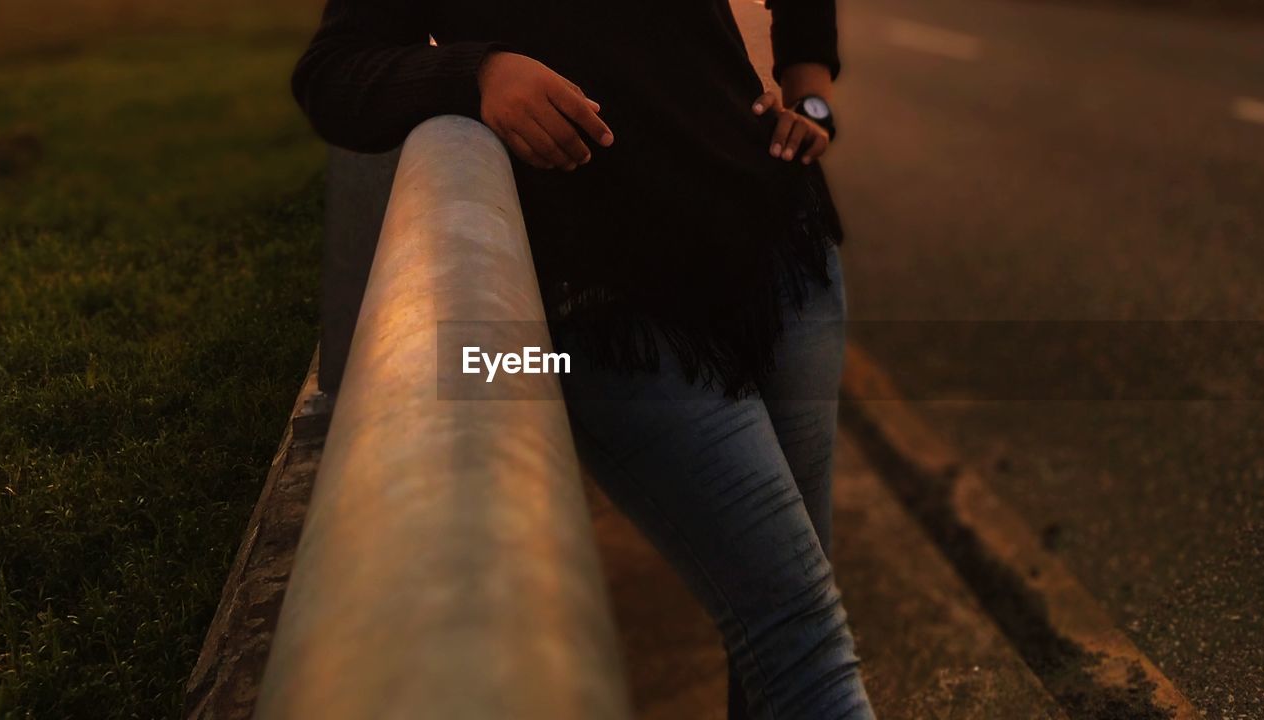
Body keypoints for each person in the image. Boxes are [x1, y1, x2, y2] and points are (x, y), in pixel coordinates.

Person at [292, 0, 875, 717]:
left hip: (779, 250)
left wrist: (809, 87)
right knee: (799, 635)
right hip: (615, 315)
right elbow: (334, 73)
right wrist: (478, 72)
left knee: (786, 611)